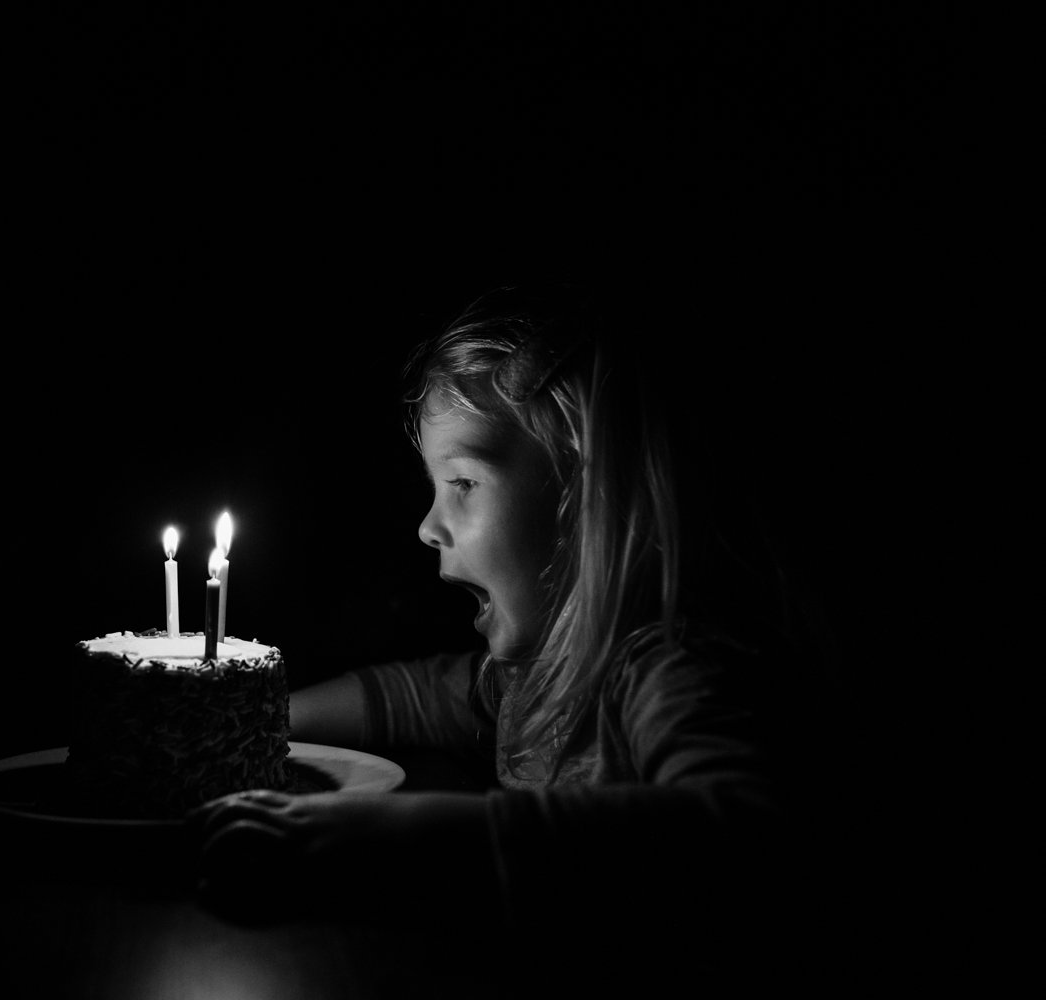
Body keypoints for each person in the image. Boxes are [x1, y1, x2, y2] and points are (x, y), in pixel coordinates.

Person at [188, 282, 842, 966]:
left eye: (464, 484)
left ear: (586, 491)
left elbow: (749, 838)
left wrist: (410, 838)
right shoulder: (530, 679)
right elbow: (421, 697)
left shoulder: (676, 663)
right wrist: (256, 718)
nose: (427, 526)